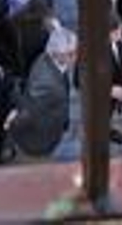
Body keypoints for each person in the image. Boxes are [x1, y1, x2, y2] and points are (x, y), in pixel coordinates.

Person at [8, 25, 75, 159]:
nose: (77, 56)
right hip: (45, 141)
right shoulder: (45, 84)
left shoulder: (50, 60)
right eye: (72, 53)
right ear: (58, 55)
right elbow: (29, 114)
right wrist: (12, 123)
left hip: (56, 123)